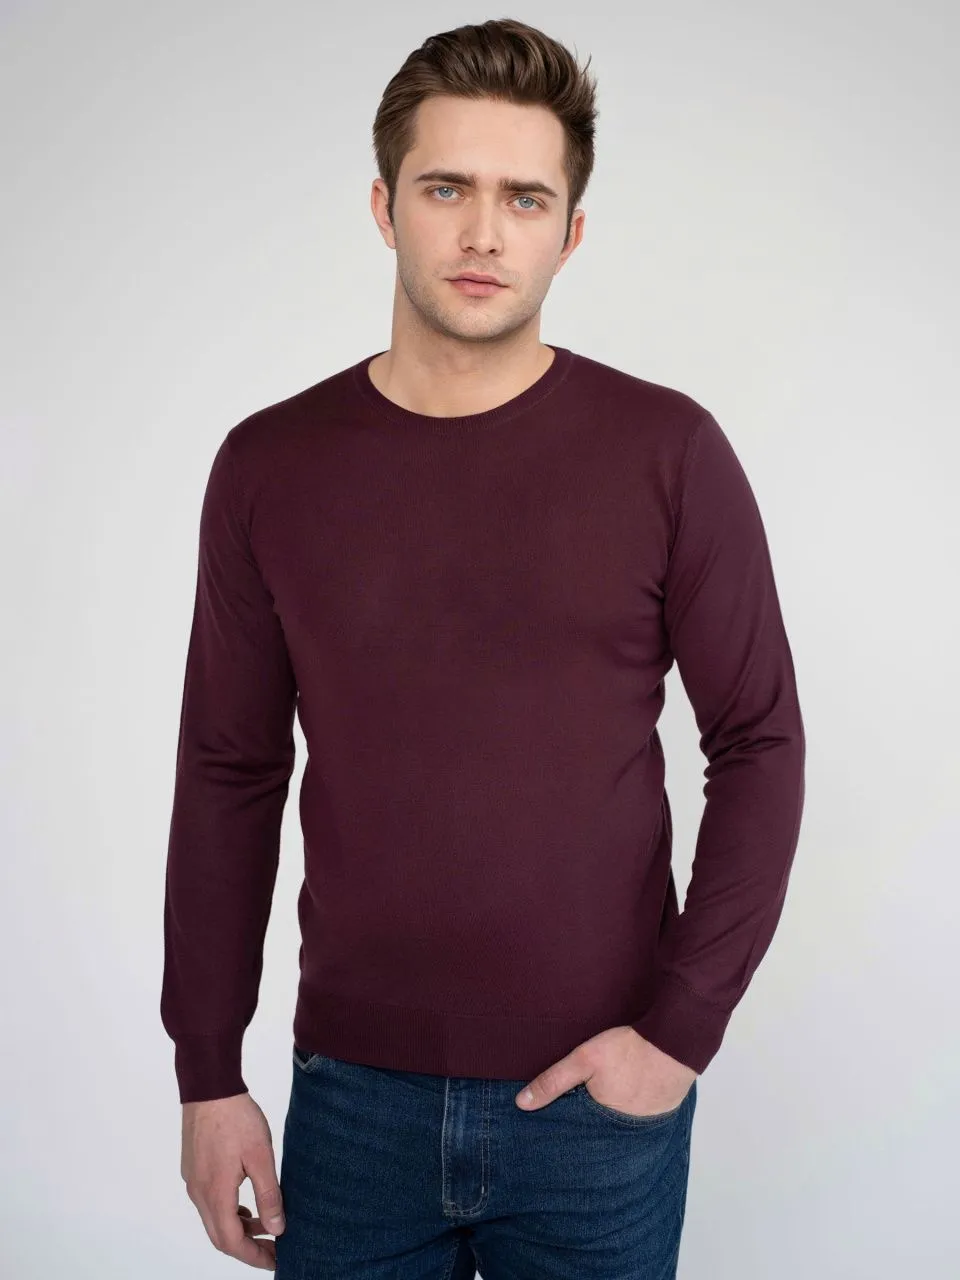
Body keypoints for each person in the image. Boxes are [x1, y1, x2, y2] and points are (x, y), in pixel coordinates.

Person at [161, 16, 806, 1278]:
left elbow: (760, 742)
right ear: (384, 206)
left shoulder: (668, 453)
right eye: (446, 188)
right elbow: (230, 769)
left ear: (571, 232)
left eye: (525, 198)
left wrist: (677, 1033)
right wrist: (208, 1070)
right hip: (350, 1101)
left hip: (598, 1104)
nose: (484, 233)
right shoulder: (270, 465)